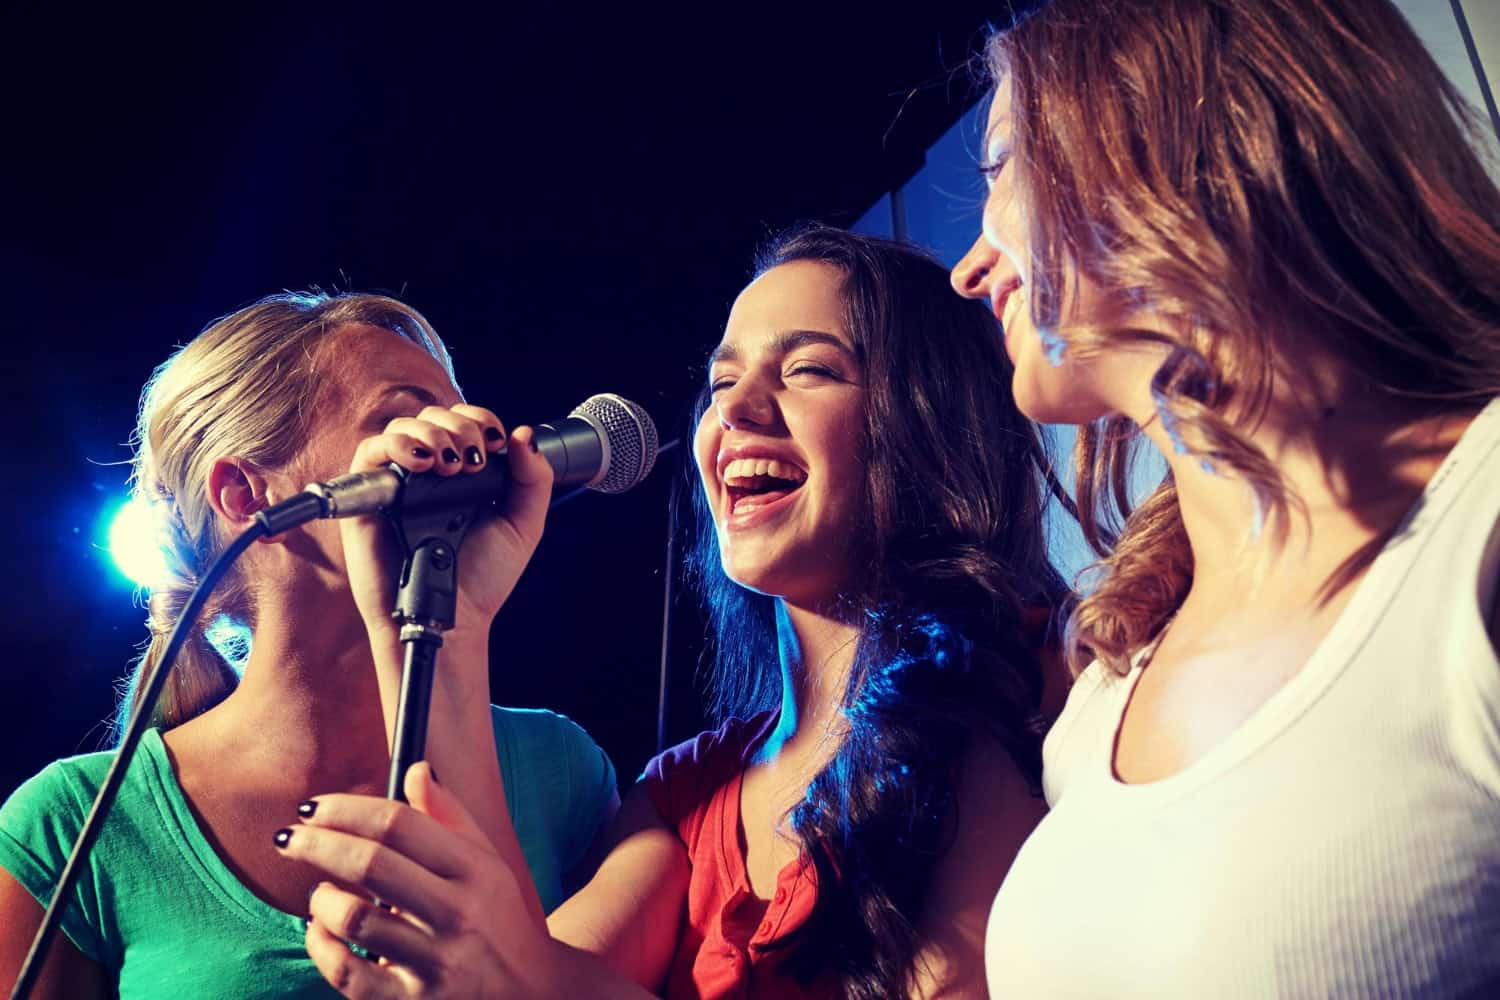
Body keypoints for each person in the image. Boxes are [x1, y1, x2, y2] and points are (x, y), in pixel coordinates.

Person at [272, 226, 1071, 998]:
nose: (738, 411)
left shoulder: (1035, 686)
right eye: (721, 385)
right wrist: (441, 621)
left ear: (932, 423)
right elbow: (503, 971)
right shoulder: (683, 796)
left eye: (809, 371)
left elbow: (525, 977)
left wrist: (523, 975)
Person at [948, 0, 1500, 994]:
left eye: (999, 167)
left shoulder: (1479, 527)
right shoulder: (1114, 677)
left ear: (1146, 132)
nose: (967, 267)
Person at [0, 292, 619, 998]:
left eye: (463, 417)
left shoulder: (559, 771)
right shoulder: (73, 823)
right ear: (245, 493)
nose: (467, 440)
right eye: (404, 419)